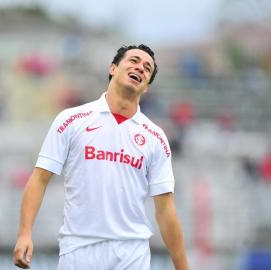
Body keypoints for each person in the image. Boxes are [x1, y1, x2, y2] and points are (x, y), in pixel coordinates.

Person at [13, 44, 189, 270]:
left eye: (147, 68)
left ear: (146, 87)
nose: (141, 68)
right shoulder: (71, 120)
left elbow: (165, 209)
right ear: (113, 68)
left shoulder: (155, 137)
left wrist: (183, 267)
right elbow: (39, 179)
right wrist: (25, 234)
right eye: (134, 61)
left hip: (131, 253)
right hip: (79, 250)